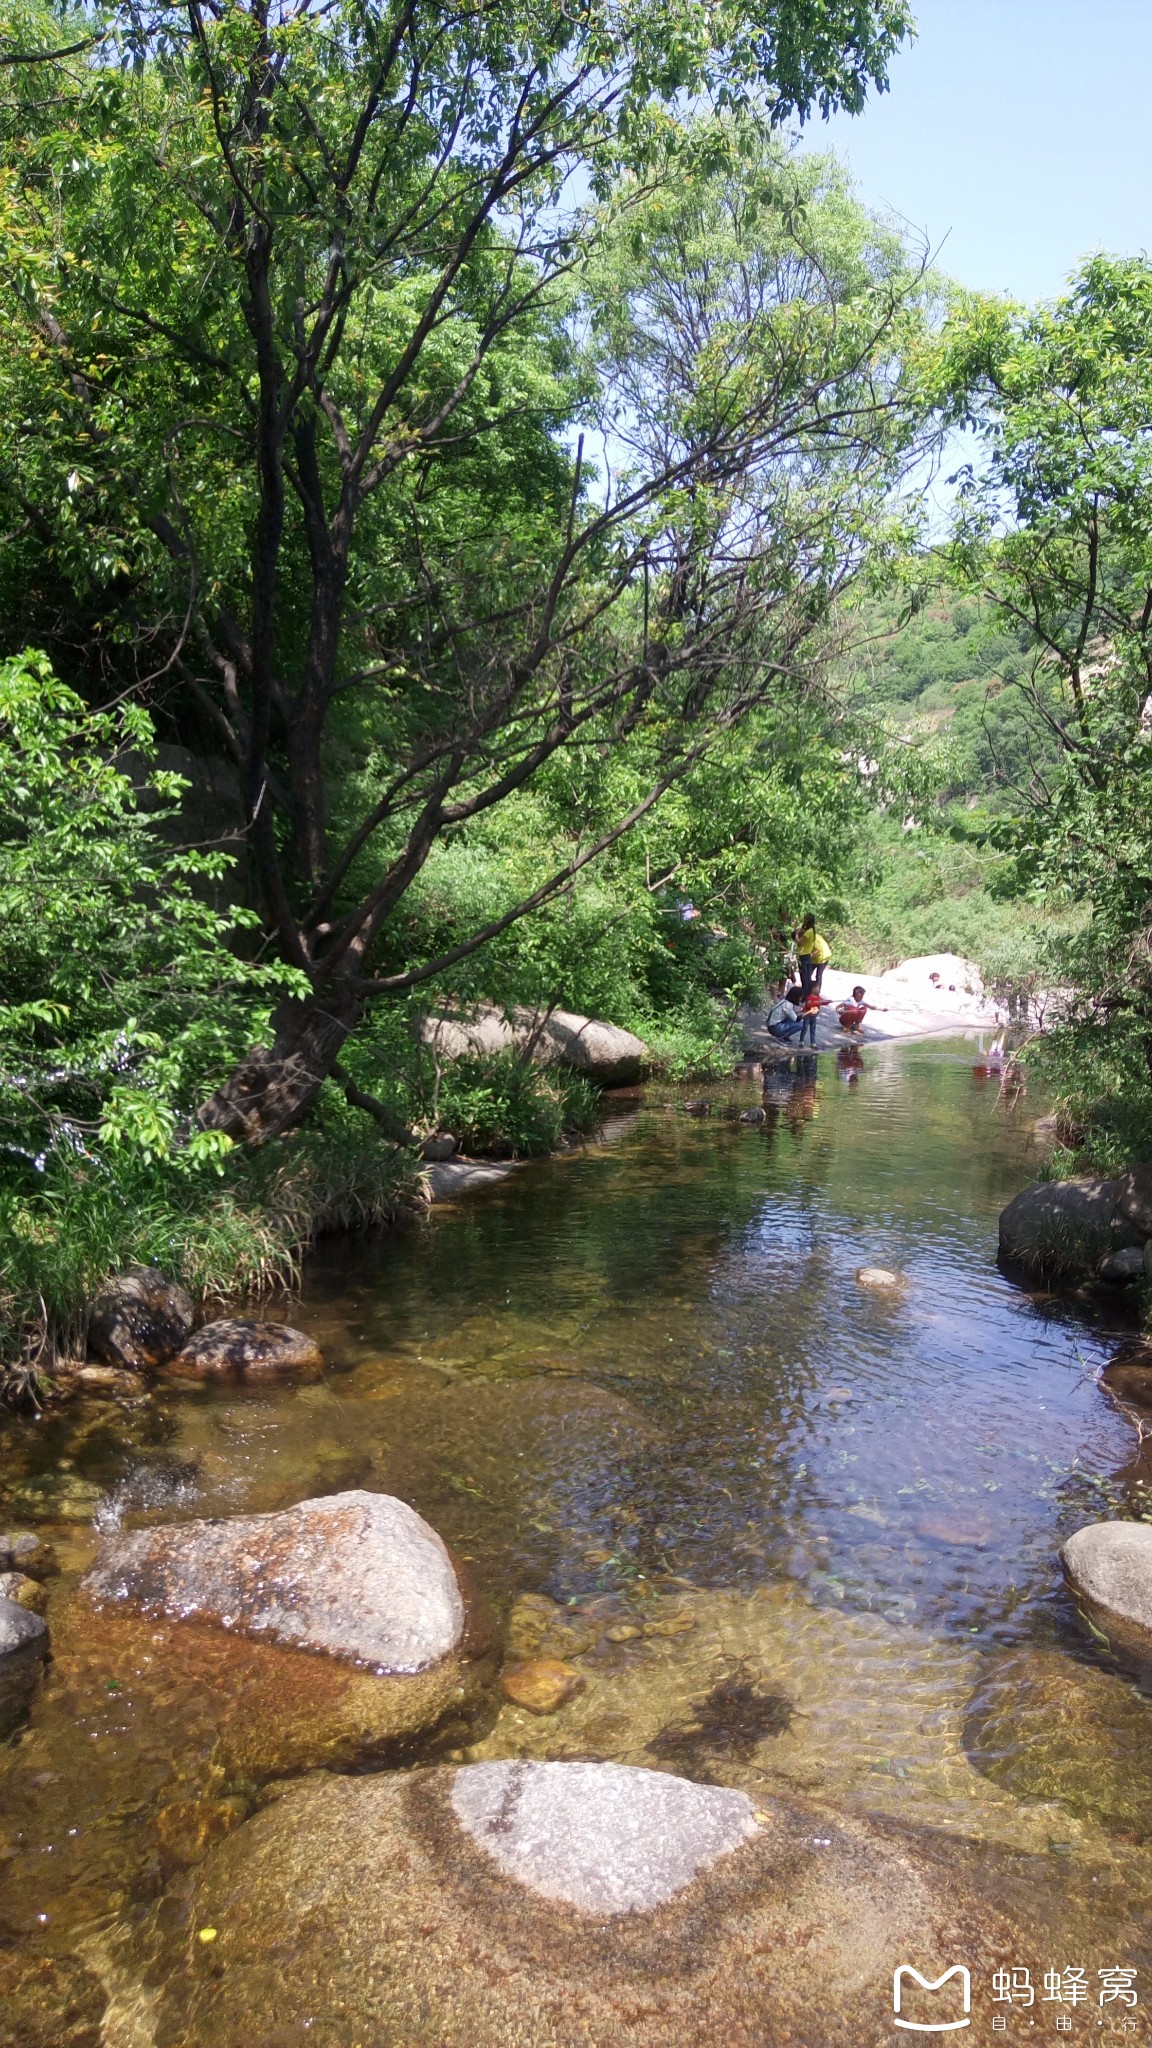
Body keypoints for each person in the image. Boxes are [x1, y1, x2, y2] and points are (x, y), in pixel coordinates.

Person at [795, 914, 832, 995]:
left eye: (806, 919)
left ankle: (816, 993)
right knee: (807, 975)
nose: (804, 920)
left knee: (818, 976)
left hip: (823, 957)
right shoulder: (809, 933)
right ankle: (807, 991)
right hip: (812, 957)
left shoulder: (810, 935)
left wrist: (808, 957)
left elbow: (818, 950)